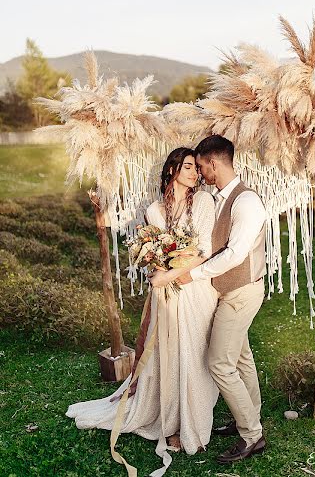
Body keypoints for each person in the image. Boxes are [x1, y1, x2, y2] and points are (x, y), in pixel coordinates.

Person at [66, 147, 219, 477]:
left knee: (192, 354)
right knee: (165, 355)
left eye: (196, 168)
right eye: (189, 167)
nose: (195, 173)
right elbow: (155, 253)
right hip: (166, 292)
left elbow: (204, 249)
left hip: (194, 289)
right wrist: (158, 269)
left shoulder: (205, 203)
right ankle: (164, 413)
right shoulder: (153, 210)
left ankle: (190, 422)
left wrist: (167, 274)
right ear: (172, 170)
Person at [150, 135, 266, 464]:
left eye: (201, 166)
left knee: (218, 363)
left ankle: (252, 435)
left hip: (241, 291)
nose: (200, 173)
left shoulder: (246, 203)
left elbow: (234, 254)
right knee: (241, 359)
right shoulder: (219, 198)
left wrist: (192, 275)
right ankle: (250, 416)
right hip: (227, 291)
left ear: (213, 163)